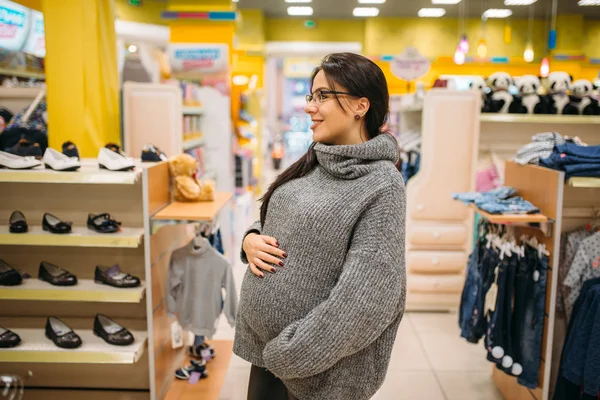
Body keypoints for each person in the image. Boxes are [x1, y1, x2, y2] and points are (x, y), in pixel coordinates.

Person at [234, 52, 407, 400]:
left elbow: (367, 299)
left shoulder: (382, 184)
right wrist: (250, 238)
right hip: (270, 362)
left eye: (324, 96)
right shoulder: (317, 158)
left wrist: (291, 354)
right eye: (312, 96)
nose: (311, 107)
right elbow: (279, 218)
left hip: (310, 373)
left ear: (361, 106)